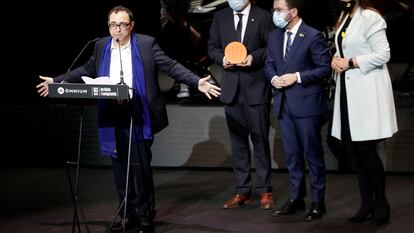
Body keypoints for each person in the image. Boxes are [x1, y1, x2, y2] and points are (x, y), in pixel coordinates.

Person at [36, 5, 220, 233]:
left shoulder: (145, 44)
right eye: (113, 25)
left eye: (122, 24)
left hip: (138, 114)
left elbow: (170, 66)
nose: (117, 29)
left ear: (131, 25)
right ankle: (127, 213)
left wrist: (196, 81)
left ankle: (145, 217)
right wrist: (57, 80)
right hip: (112, 115)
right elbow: (87, 68)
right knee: (120, 168)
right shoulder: (101, 45)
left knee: (140, 168)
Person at [330, 0, 398, 226]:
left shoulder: (371, 17)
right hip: (348, 93)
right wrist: (336, 60)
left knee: (366, 150)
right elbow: (342, 49)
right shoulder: (344, 18)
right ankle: (366, 203)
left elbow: (383, 54)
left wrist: (350, 62)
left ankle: (381, 203)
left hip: (367, 91)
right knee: (355, 152)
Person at [264, 0, 331, 221]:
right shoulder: (274, 36)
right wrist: (273, 77)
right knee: (292, 156)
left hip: (307, 105)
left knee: (313, 155)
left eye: (279, 10)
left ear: (293, 12)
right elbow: (269, 63)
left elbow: (323, 68)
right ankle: (296, 198)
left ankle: (318, 202)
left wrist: (298, 77)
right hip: (284, 105)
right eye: (274, 9)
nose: (275, 13)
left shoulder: (312, 35)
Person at [208, 0, 275, 210]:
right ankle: (242, 190)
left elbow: (271, 47)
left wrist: (253, 58)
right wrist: (223, 59)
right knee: (237, 143)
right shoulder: (221, 17)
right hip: (231, 90)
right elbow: (212, 47)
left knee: (260, 140)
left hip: (256, 89)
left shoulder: (263, 16)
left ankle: (265, 190)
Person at [159, 0, 202, 98]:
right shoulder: (169, 14)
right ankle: (184, 83)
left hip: (187, 20)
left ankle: (199, 74)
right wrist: (193, 33)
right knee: (179, 37)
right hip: (172, 29)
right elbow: (171, 13)